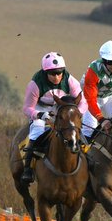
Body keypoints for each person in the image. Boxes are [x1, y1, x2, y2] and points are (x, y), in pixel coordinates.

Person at [19, 51, 83, 185]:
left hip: (62, 109)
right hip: (40, 108)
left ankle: (87, 161)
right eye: (53, 73)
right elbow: (27, 108)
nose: (57, 77)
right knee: (37, 129)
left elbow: (82, 101)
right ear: (45, 72)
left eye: (60, 72)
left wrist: (78, 115)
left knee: (75, 129)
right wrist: (39, 115)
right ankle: (28, 168)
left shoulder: (70, 80)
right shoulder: (35, 84)